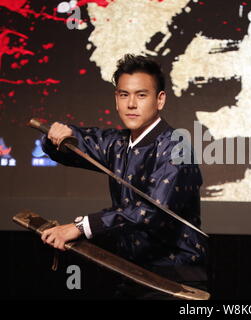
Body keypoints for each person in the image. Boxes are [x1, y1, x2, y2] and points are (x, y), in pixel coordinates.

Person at [40, 54, 207, 299]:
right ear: (116, 99)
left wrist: (80, 227)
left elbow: (150, 211)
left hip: (175, 277)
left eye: (141, 95)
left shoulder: (176, 148)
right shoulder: (117, 143)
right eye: (123, 95)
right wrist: (55, 134)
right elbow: (76, 143)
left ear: (159, 100)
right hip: (131, 271)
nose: (131, 104)